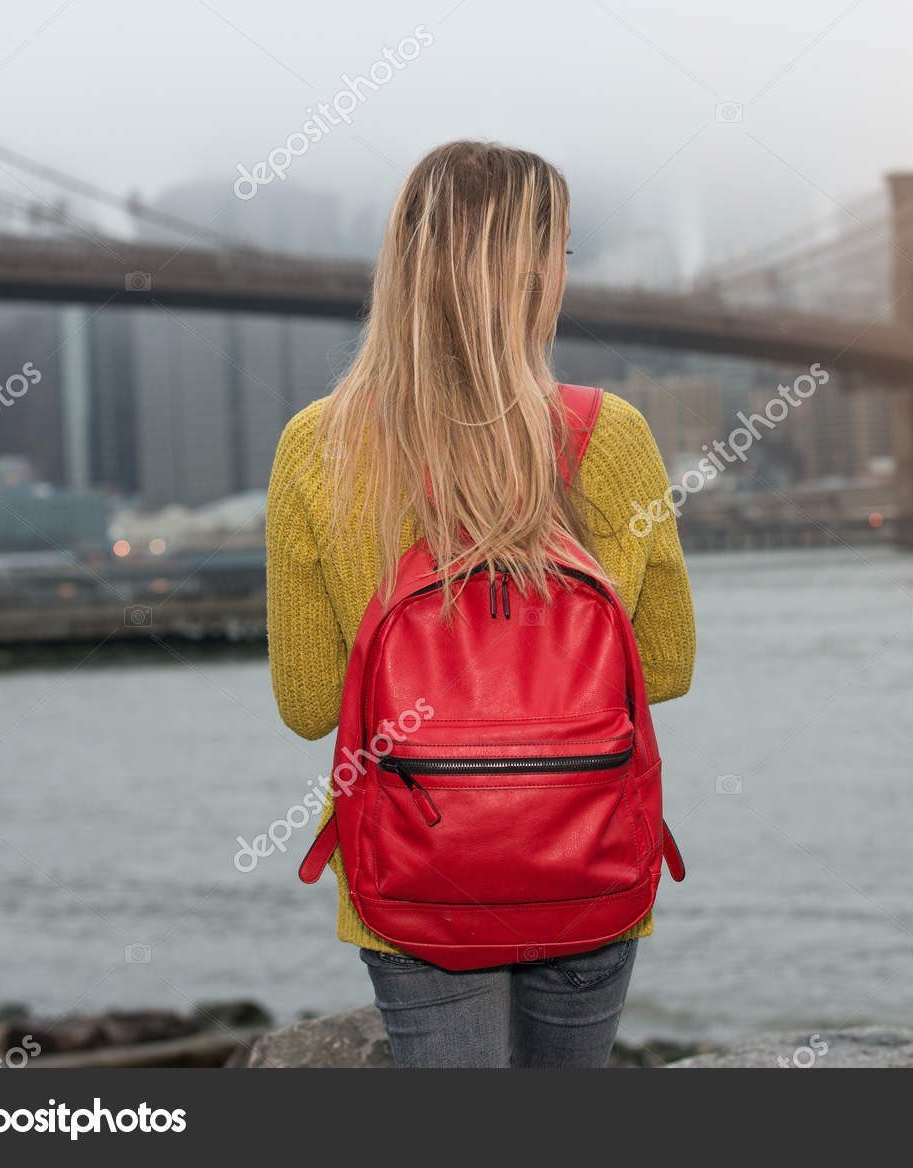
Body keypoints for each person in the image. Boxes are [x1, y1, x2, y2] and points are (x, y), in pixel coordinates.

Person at [264, 140, 695, 1067]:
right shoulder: (608, 434)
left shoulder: (315, 446)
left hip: (415, 880)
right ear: (530, 271)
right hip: (582, 858)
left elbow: (309, 708)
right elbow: (664, 669)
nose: (565, 278)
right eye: (563, 255)